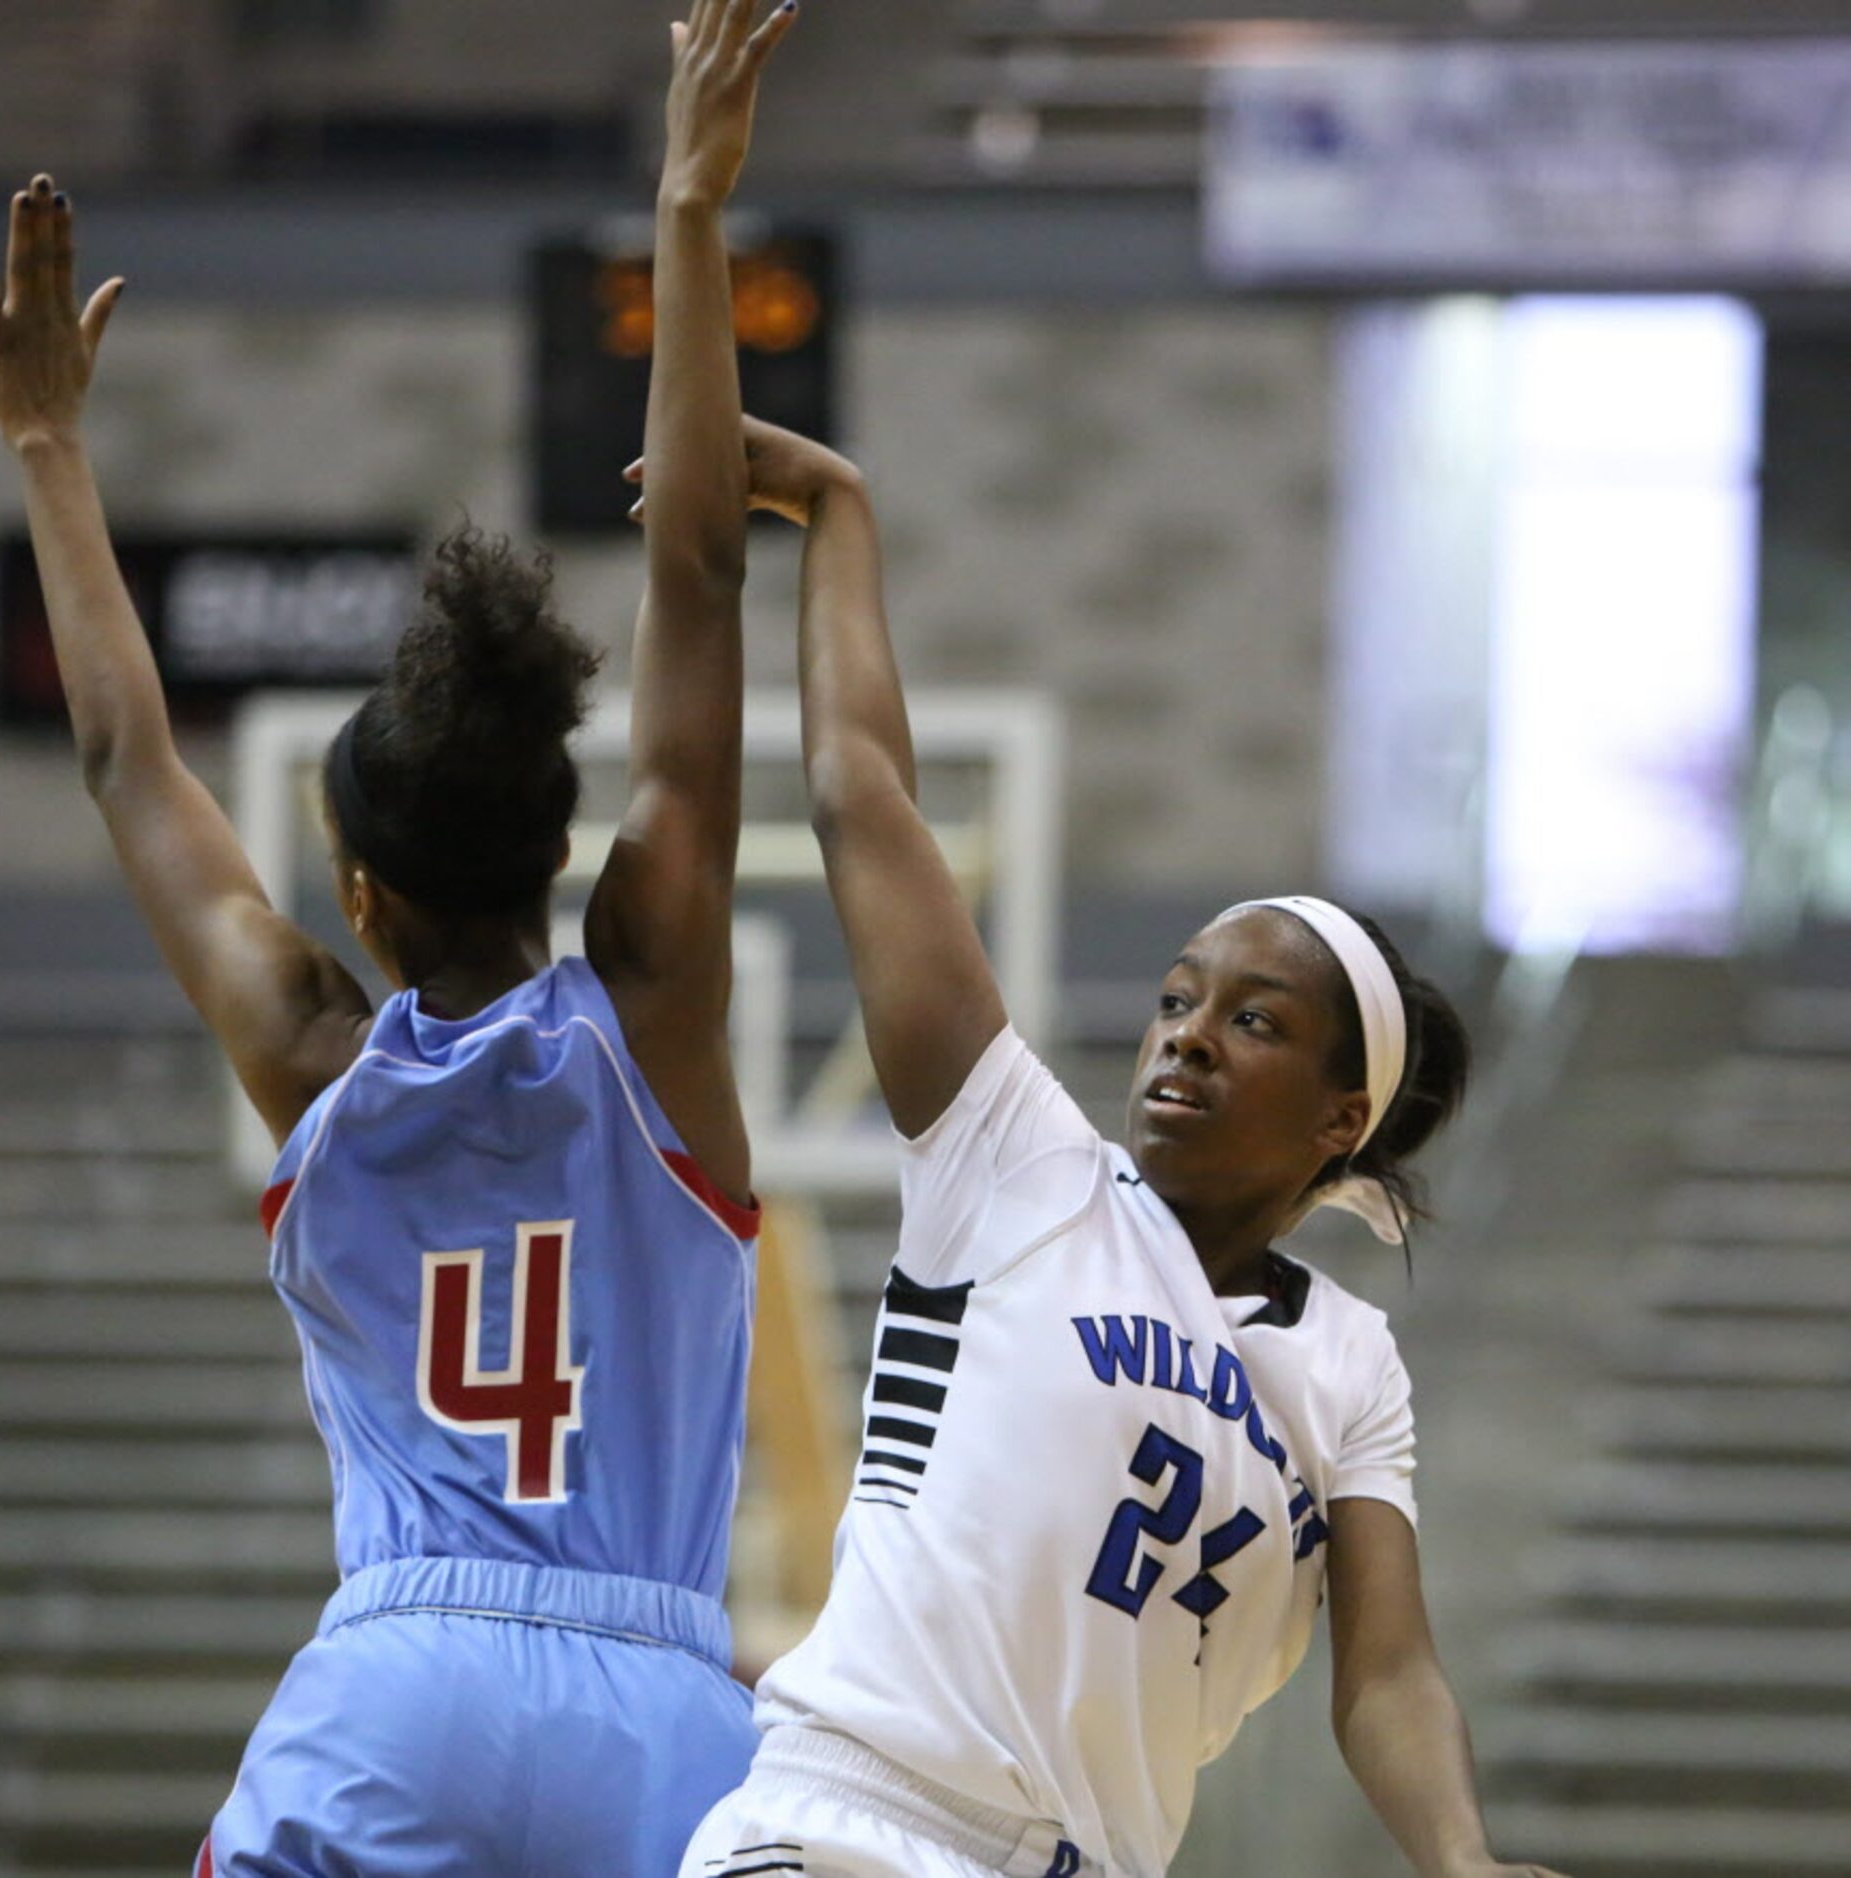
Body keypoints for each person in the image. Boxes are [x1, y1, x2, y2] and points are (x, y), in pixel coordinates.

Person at [0, 6, 797, 1871]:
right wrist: (684, 199)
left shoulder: (306, 1053)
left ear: (355, 895)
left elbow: (121, 754)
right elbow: (696, 570)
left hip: (396, 1697)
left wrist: (42, 440)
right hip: (667, 1721)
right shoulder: (653, 1015)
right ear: (562, 847)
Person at [672, 420, 1572, 1878]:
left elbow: (1387, 1673)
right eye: (1173, 1001)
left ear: (1341, 1119)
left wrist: (1459, 1859)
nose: (1187, 1036)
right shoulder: (1013, 1157)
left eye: (1253, 1020)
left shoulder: (1347, 1362)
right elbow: (860, 795)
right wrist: (838, 513)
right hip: (847, 1821)